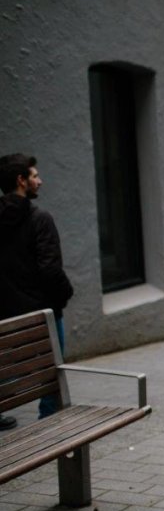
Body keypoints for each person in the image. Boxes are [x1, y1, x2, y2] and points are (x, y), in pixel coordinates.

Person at [0, 153, 74, 427]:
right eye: (34, 176)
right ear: (21, 181)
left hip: (5, 315)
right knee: (52, 375)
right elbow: (50, 271)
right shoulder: (40, 219)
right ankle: (48, 424)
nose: (39, 181)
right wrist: (65, 295)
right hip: (42, 315)